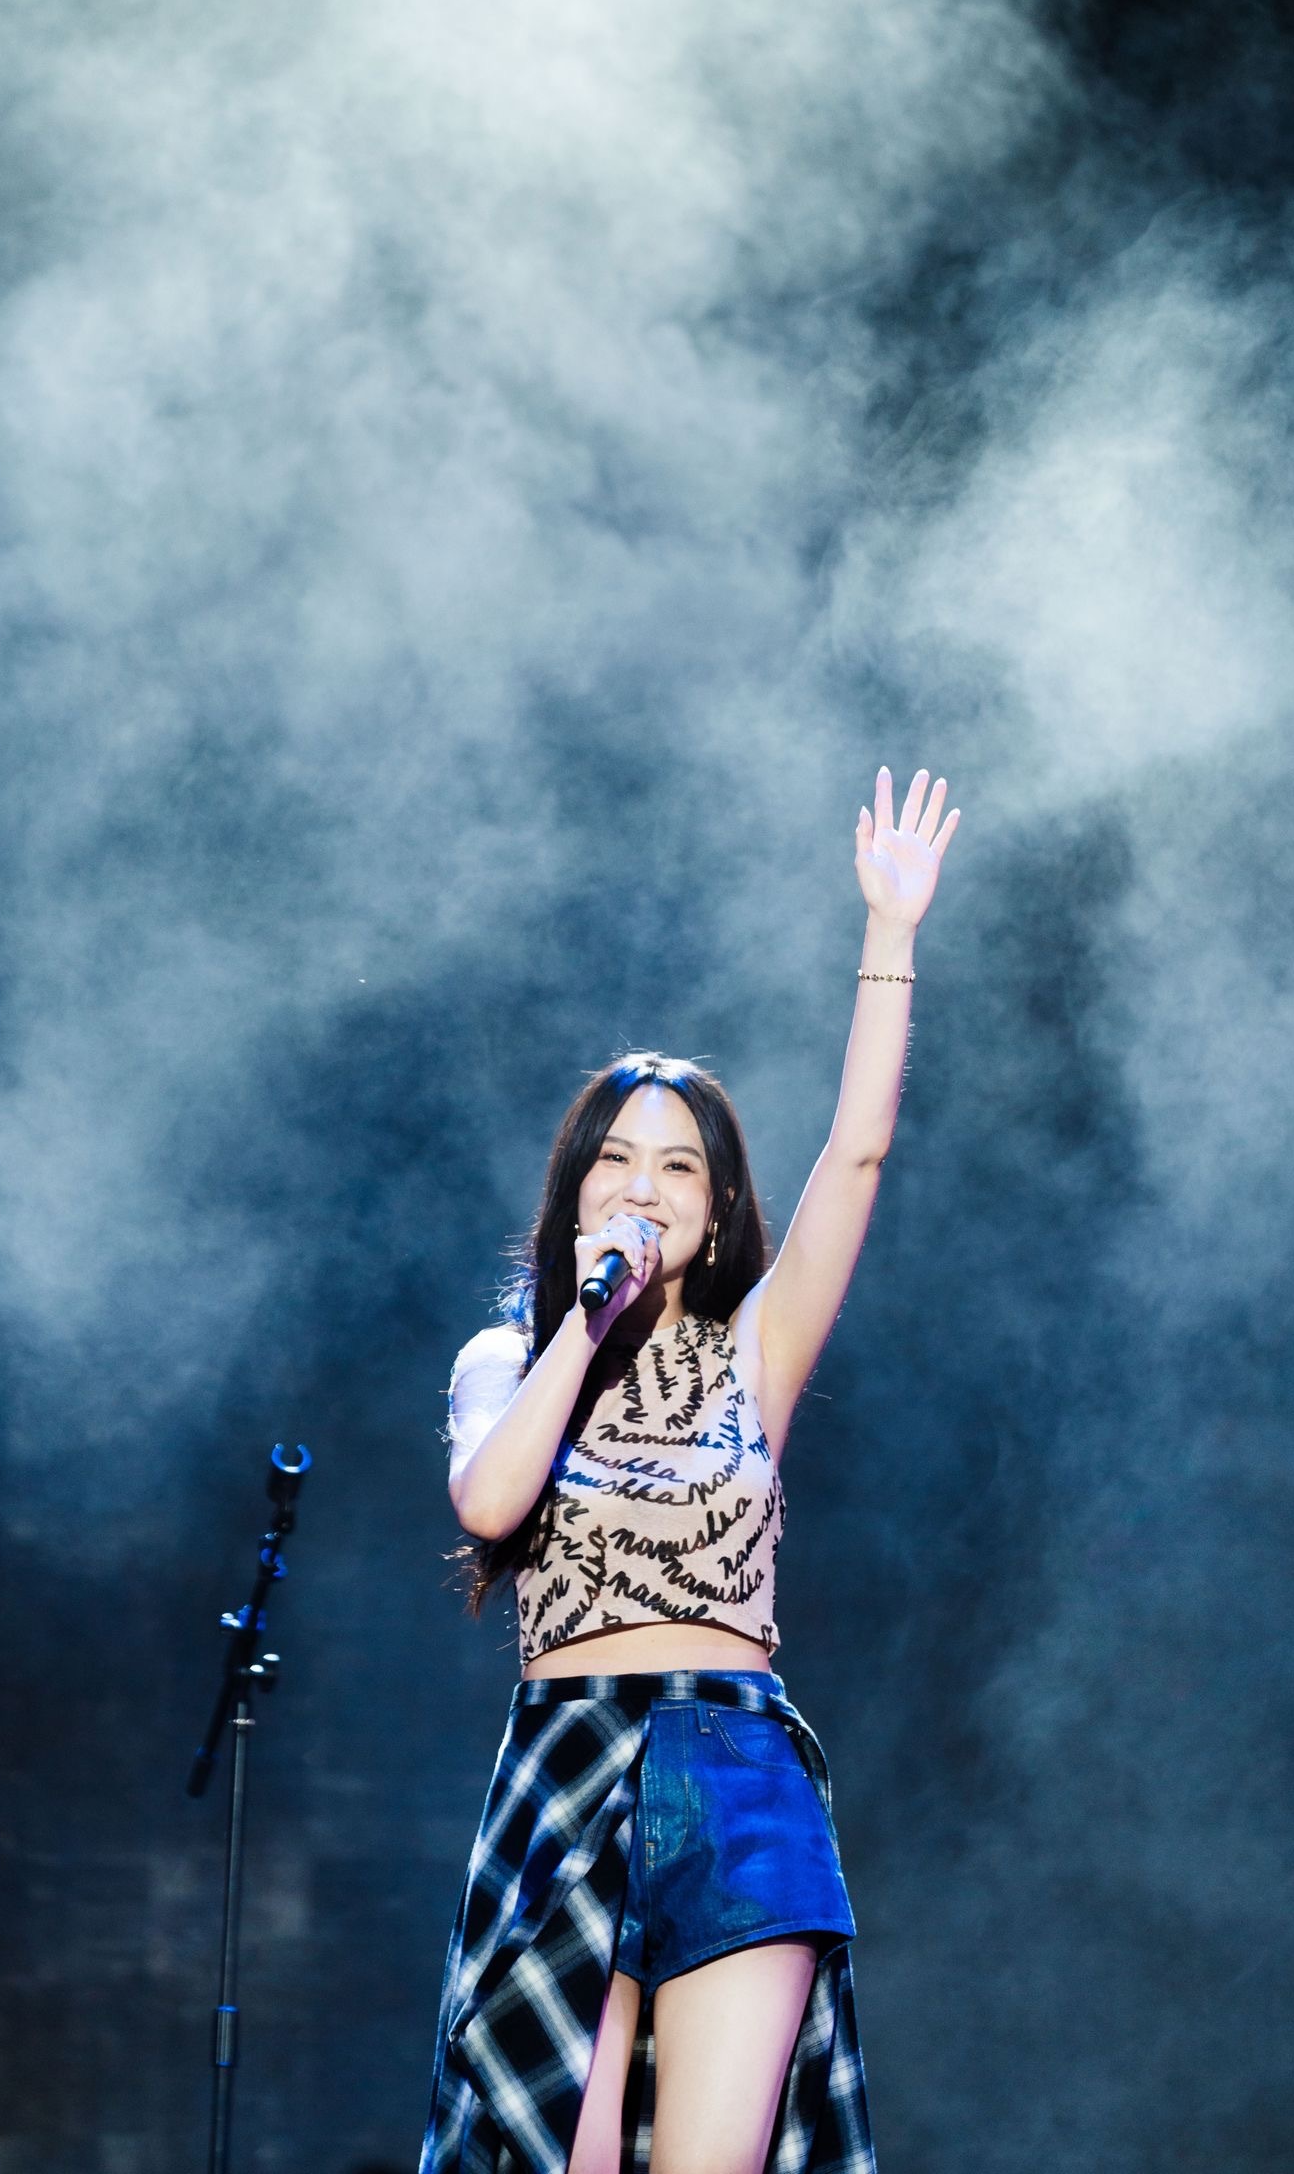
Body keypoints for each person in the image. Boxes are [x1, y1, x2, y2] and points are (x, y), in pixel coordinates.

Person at [420, 765, 959, 2174]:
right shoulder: (507, 1360)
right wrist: (582, 1326)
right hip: (570, 1754)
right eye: (615, 1162)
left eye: (675, 1168)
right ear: (576, 1192)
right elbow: (490, 1501)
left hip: (733, 1764)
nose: (642, 1187)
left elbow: (858, 1157)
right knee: (562, 2148)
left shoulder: (754, 1349)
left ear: (715, 1213)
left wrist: (890, 934)